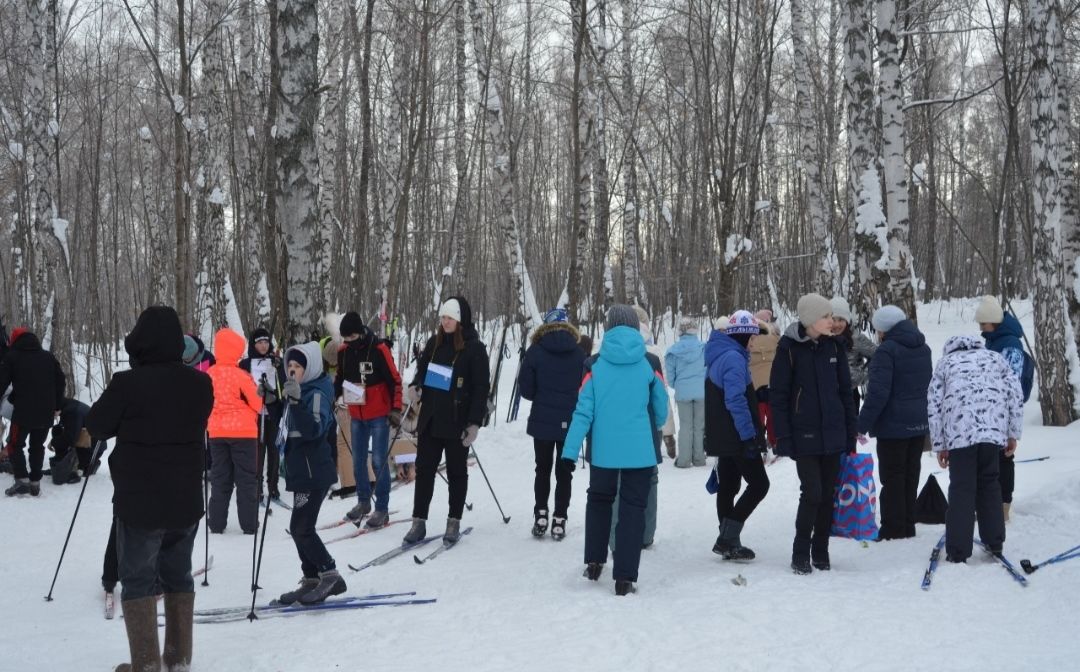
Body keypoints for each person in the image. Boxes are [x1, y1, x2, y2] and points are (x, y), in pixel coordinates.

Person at [85, 306, 214, 672]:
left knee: (139, 580)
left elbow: (96, 424)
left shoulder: (128, 384)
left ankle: (146, 665)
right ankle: (177, 659)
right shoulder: (200, 383)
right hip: (185, 501)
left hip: (141, 503)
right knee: (178, 574)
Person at [562, 304, 669, 596]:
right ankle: (624, 578)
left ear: (607, 328)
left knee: (599, 502)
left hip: (604, 452)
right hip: (640, 452)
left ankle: (595, 562)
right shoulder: (650, 362)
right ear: (636, 328)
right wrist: (654, 426)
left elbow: (583, 412)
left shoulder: (594, 364)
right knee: (633, 510)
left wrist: (569, 453)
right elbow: (661, 408)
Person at [770, 293, 857, 574]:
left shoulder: (835, 348)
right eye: (827, 317)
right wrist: (782, 437)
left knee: (828, 494)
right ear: (810, 320)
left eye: (832, 316)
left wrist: (850, 433)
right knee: (813, 493)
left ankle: (821, 551)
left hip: (833, 434)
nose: (832, 322)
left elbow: (846, 392)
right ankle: (800, 552)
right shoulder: (789, 349)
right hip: (803, 434)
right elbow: (779, 396)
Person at [927, 335, 1023, 563]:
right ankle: (995, 541)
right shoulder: (995, 358)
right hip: (992, 430)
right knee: (990, 483)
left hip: (960, 434)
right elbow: (1014, 394)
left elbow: (934, 404)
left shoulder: (946, 363)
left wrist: (940, 444)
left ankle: (958, 551)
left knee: (962, 488)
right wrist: (1012, 433)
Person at [402, 297, 490, 545]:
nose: (445, 321)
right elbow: (421, 370)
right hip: (431, 419)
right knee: (425, 470)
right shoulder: (434, 342)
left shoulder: (474, 348)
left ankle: (454, 520)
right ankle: (418, 521)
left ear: (461, 320)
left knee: (456, 473)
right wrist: (416, 386)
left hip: (457, 422)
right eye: (442, 317)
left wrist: (474, 423)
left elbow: (481, 388)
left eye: (449, 317)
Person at [277, 341, 348, 605]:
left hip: (314, 470)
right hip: (300, 470)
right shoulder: (297, 390)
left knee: (303, 528)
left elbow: (313, 430)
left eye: (298, 366)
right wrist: (272, 400)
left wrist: (295, 401)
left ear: (311, 368)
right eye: (290, 366)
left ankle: (329, 573)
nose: (293, 371)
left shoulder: (316, 392)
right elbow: (285, 426)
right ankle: (310, 577)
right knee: (298, 528)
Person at [856, 305, 932, 540]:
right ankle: (908, 524)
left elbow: (878, 393)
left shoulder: (886, 352)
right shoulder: (924, 347)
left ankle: (892, 528)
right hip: (919, 423)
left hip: (893, 426)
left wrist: (861, 424)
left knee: (892, 478)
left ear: (883, 330)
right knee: (910, 475)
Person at [705, 311, 770, 561]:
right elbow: (735, 400)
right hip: (735, 434)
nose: (754, 343)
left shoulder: (721, 353)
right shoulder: (733, 357)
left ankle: (729, 543)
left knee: (729, 486)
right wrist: (749, 436)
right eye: (752, 338)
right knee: (759, 485)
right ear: (742, 336)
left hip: (723, 434)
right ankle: (726, 538)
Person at [519, 307, 586, 540]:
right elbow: (585, 387)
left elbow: (526, 390)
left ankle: (540, 515)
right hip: (570, 421)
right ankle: (559, 519)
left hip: (542, 422)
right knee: (564, 471)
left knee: (542, 469)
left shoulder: (535, 351)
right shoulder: (579, 353)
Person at [335, 311, 403, 529]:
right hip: (356, 413)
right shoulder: (344, 351)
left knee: (378, 462)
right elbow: (340, 378)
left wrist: (395, 408)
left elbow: (395, 380)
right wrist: (334, 395)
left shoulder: (379, 349)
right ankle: (364, 502)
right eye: (345, 339)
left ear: (361, 333)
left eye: (352, 338)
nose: (349, 342)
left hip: (379, 414)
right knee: (358, 461)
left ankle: (381, 508)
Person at [206, 328, 263, 534]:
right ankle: (249, 525)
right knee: (246, 479)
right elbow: (258, 403)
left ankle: (216, 523)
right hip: (244, 433)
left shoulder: (209, 374)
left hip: (216, 433)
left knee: (220, 479)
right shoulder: (241, 376)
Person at [975, 295, 1025, 523]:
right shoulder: (993, 339)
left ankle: (1004, 506)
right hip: (988, 409)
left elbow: (1011, 381)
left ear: (993, 322)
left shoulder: (1011, 344)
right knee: (990, 458)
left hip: (1003, 410)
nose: (980, 328)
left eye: (983, 323)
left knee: (1004, 458)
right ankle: (989, 503)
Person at [0, 326, 65, 496]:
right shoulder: (48, 357)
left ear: (14, 341)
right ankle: (35, 482)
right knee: (37, 446)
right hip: (46, 413)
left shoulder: (12, 357)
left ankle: (22, 480)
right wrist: (57, 405)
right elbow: (61, 381)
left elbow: (2, 382)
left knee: (14, 445)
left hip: (22, 413)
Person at [239, 327, 286, 502]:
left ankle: (273, 487)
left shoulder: (276, 361)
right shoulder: (245, 363)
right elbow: (241, 388)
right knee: (257, 453)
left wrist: (279, 368)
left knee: (273, 450)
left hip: (273, 413)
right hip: (254, 415)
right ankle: (256, 488)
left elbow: (284, 384)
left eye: (266, 342)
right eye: (260, 342)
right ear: (253, 344)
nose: (264, 346)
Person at [665, 317, 707, 468]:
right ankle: (699, 458)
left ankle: (683, 460)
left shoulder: (673, 352)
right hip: (701, 391)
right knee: (699, 425)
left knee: (685, 426)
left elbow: (670, 378)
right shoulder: (704, 348)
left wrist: (679, 385)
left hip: (683, 392)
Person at [830, 297, 877, 409]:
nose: (836, 324)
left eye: (841, 320)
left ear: (847, 320)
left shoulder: (856, 339)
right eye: (833, 319)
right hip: (826, 395)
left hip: (849, 395)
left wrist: (861, 375)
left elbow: (879, 356)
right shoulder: (823, 338)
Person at [748, 309, 780, 450]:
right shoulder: (774, 337)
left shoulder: (750, 339)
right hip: (771, 381)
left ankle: (759, 442)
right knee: (772, 414)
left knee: (758, 414)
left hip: (754, 383)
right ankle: (774, 441)